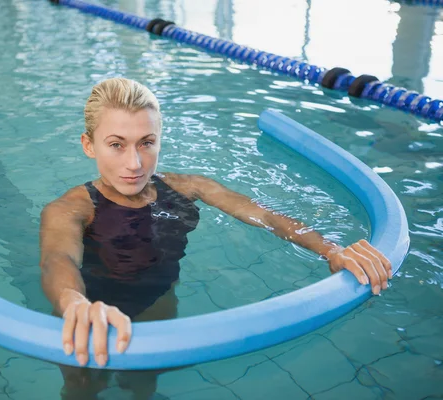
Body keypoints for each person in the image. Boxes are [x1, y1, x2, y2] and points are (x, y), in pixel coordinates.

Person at [38, 77, 392, 399]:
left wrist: (332, 250)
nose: (134, 163)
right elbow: (59, 259)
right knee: (82, 389)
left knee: (144, 382)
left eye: (146, 143)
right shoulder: (71, 208)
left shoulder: (189, 187)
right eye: (116, 145)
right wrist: (74, 303)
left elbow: (265, 215)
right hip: (87, 314)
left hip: (159, 305)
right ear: (89, 145)